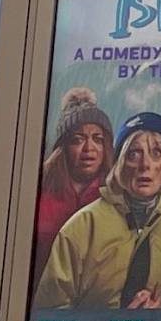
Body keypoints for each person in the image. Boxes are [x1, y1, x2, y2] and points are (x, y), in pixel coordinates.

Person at [34, 108, 161, 310]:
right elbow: (49, 316)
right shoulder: (82, 227)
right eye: (134, 153)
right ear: (119, 165)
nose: (145, 164)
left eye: (156, 153)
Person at [33, 88, 112, 271]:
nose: (89, 148)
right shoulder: (38, 192)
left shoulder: (116, 197)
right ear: (63, 147)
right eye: (78, 140)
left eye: (98, 139)